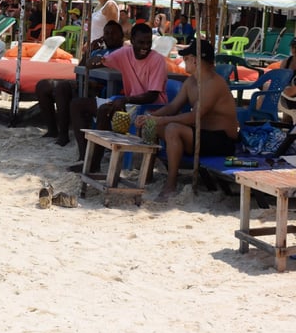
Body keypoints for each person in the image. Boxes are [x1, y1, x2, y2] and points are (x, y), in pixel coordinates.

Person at [136, 39, 238, 199]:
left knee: (172, 128)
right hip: (200, 134)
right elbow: (173, 107)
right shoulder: (191, 82)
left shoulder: (213, 83)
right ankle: (146, 175)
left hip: (221, 139)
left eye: (186, 59)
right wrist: (150, 117)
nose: (184, 62)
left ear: (196, 60)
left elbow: (193, 117)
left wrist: (161, 120)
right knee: (152, 125)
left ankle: (171, 184)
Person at [68, 22, 168, 171]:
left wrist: (125, 99)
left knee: (104, 110)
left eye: (148, 42)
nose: (145, 46)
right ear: (132, 40)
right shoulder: (124, 53)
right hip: (129, 104)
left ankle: (93, 164)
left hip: (149, 109)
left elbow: (152, 96)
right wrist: (93, 57)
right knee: (78, 104)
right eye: (141, 42)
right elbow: (97, 63)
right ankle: (85, 157)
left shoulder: (157, 60)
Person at [36, 21, 124, 146]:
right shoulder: (97, 51)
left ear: (122, 36)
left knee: (62, 88)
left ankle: (63, 135)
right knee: (43, 85)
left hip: (101, 88)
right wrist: (89, 51)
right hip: (85, 83)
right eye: (107, 33)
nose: (109, 36)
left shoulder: (123, 53)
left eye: (113, 33)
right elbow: (80, 71)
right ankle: (52, 130)